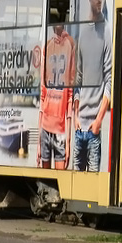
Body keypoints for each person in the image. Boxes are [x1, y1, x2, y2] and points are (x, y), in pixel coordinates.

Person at [72, 0, 111, 172]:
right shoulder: (82, 32)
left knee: (94, 180)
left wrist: (98, 122)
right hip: (79, 128)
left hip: (94, 128)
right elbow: (77, 78)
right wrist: (75, 116)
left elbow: (109, 80)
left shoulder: (107, 32)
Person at [39, 21, 76, 169]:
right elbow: (42, 95)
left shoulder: (70, 45)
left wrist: (68, 140)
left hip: (60, 130)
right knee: (44, 181)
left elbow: (70, 97)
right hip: (46, 127)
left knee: (61, 181)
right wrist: (38, 144)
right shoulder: (47, 47)